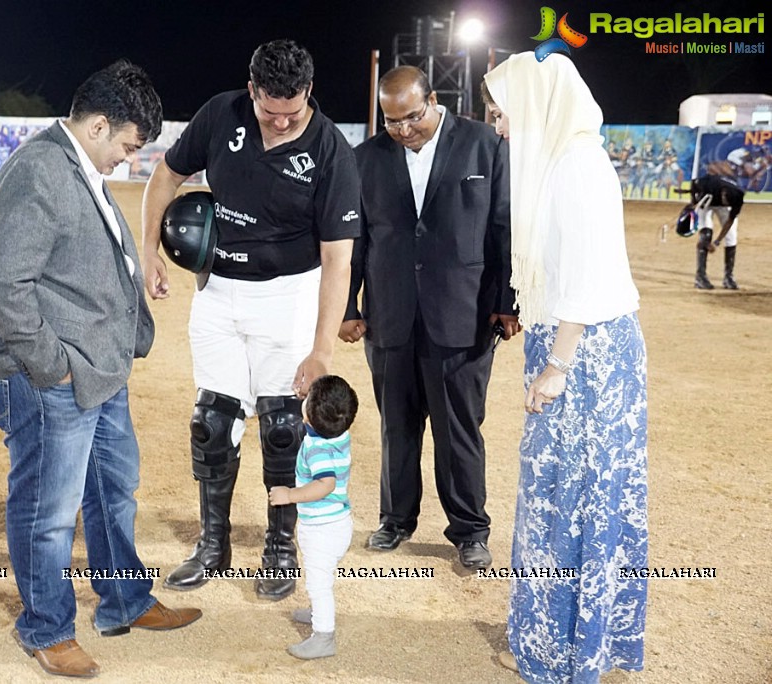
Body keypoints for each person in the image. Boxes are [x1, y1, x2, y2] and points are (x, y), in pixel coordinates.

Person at [0, 60, 201, 679]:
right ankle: (45, 628)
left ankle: (124, 599)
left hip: (97, 368)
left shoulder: (76, 164)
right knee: (49, 509)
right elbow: (1, 281)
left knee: (111, 489)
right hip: (50, 375)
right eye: (127, 147)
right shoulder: (42, 169)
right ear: (98, 124)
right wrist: (54, 367)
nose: (128, 160)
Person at [140, 39, 361, 600]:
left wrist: (322, 352)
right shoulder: (221, 114)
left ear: (309, 93)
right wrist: (147, 250)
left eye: (294, 111)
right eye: (271, 110)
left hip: (288, 296)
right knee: (212, 422)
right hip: (217, 290)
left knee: (283, 427)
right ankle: (213, 544)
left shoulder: (331, 149)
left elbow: (338, 259)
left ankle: (281, 545)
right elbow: (166, 175)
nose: (283, 122)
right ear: (252, 88)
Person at [482, 52, 648, 682]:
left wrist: (555, 365)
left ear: (539, 107)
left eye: (505, 112)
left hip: (586, 359)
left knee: (576, 496)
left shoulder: (577, 165)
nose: (498, 125)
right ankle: (563, 633)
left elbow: (585, 276)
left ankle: (571, 645)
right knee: (562, 494)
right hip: (571, 346)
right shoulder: (559, 162)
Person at [339, 65, 519, 569]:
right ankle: (395, 519)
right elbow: (356, 242)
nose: (403, 130)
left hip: (463, 316)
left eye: (412, 118)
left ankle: (469, 530)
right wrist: (350, 306)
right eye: (392, 121)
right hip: (390, 317)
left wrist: (507, 300)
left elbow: (504, 227)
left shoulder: (486, 145)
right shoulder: (365, 159)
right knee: (396, 427)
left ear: (433, 100)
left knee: (459, 428)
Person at [268, 374, 358, 660]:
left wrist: (289, 495)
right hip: (338, 523)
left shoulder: (316, 449)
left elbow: (325, 484)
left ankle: (324, 636)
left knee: (318, 582)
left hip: (322, 529)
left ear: (308, 416)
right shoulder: (340, 435)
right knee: (320, 579)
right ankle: (320, 611)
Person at [687, 174, 744, 290]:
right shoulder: (709, 184)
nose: (726, 203)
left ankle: (729, 277)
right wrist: (693, 201)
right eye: (725, 201)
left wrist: (717, 242)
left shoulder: (738, 196)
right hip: (706, 203)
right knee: (706, 235)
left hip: (721, 207)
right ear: (723, 193)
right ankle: (700, 277)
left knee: (731, 236)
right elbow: (694, 184)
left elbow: (730, 221)